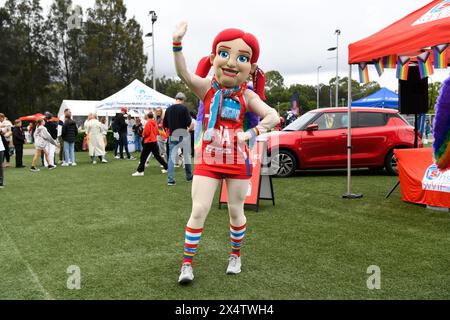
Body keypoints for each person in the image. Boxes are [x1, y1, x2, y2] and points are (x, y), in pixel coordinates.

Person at [172, 23, 279, 284]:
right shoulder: (207, 89)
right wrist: (177, 43)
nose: (232, 63)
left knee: (235, 211)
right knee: (198, 209)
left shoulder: (248, 96)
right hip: (209, 158)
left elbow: (273, 115)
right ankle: (187, 264)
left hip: (236, 160)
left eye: (242, 58)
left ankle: (235, 256)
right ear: (212, 59)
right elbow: (184, 73)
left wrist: (251, 133)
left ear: (251, 68)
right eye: (225, 54)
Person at [163, 92, 194, 186]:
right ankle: (189, 176)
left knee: (171, 158)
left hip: (173, 135)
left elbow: (165, 124)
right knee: (187, 156)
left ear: (176, 98)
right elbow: (189, 123)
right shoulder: (184, 108)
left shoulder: (168, 109)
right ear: (183, 100)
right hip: (183, 134)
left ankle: (170, 180)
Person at [132, 112, 168, 176]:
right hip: (154, 140)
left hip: (148, 141)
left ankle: (140, 171)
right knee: (157, 156)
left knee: (143, 157)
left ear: (147, 117)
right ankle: (167, 167)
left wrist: (143, 135)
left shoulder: (148, 123)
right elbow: (157, 131)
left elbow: (146, 132)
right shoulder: (154, 122)